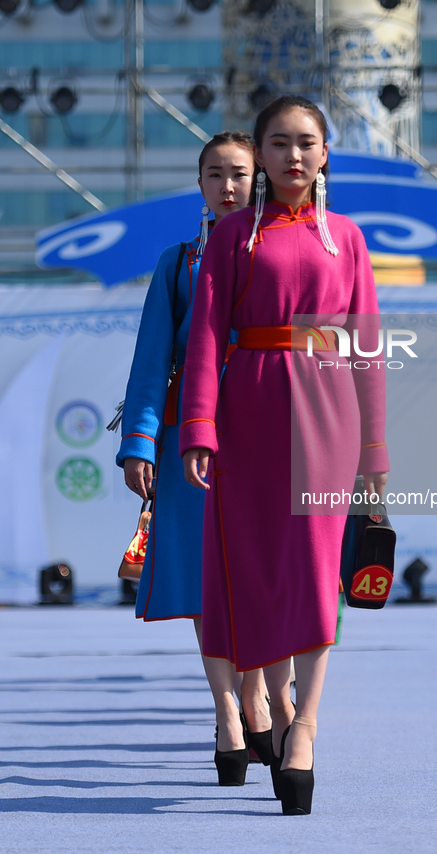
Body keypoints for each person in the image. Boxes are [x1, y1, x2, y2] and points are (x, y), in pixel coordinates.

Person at [180, 97, 389, 814]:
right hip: (247, 418)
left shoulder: (349, 240)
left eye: (306, 143)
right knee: (255, 570)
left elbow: (367, 349)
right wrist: (198, 429)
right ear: (261, 156)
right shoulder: (232, 237)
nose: (293, 155)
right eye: (278, 143)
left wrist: (374, 452)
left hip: (327, 416)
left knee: (314, 571)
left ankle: (305, 725)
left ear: (325, 154)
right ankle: (263, 701)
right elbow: (205, 338)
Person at [116, 131, 272, 783]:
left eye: (239, 173)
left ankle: (258, 694)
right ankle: (228, 715)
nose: (228, 185)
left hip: (266, 436)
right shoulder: (177, 262)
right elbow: (152, 361)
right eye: (215, 174)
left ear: (258, 181)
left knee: (259, 578)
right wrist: (138, 441)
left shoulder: (288, 255)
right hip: (190, 445)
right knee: (206, 581)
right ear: (200, 184)